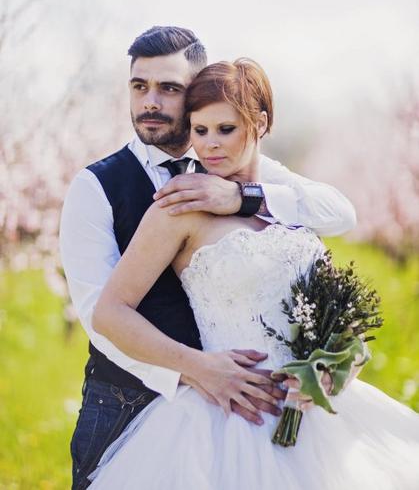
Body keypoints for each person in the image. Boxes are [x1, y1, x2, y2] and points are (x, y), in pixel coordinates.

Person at [87, 58, 419, 489]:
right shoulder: (179, 207)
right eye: (199, 130)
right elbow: (110, 312)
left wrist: (336, 369)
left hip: (317, 423)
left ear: (259, 124)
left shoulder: (289, 202)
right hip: (226, 421)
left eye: (225, 129)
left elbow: (341, 322)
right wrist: (198, 367)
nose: (209, 145)